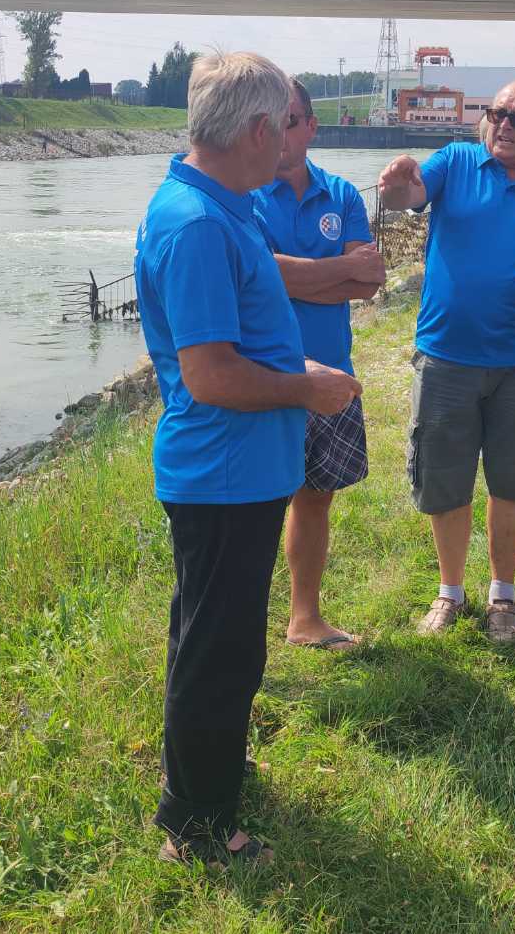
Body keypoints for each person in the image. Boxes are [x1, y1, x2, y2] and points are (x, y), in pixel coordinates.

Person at [134, 51, 361, 868]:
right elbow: (210, 373)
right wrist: (307, 387)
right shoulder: (197, 223)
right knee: (220, 650)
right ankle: (196, 828)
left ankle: (205, 774)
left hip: (240, 474)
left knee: (211, 638)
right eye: (287, 130)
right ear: (259, 129)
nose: (289, 149)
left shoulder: (225, 205)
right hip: (222, 475)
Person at [378, 81, 515, 643]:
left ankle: (504, 594)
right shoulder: (457, 161)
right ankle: (450, 592)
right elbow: (410, 196)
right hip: (445, 358)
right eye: (497, 113)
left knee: (512, 485)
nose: (503, 124)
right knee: (444, 481)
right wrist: (398, 186)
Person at [252, 80, 386, 651]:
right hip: (267, 377)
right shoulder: (245, 195)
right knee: (256, 506)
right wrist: (335, 271)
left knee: (316, 497)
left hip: (330, 374)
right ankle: (242, 625)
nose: (279, 134)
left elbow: (372, 280)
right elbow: (259, 279)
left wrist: (289, 277)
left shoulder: (341, 194)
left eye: (291, 121)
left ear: (311, 126)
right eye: (269, 121)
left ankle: (304, 616)